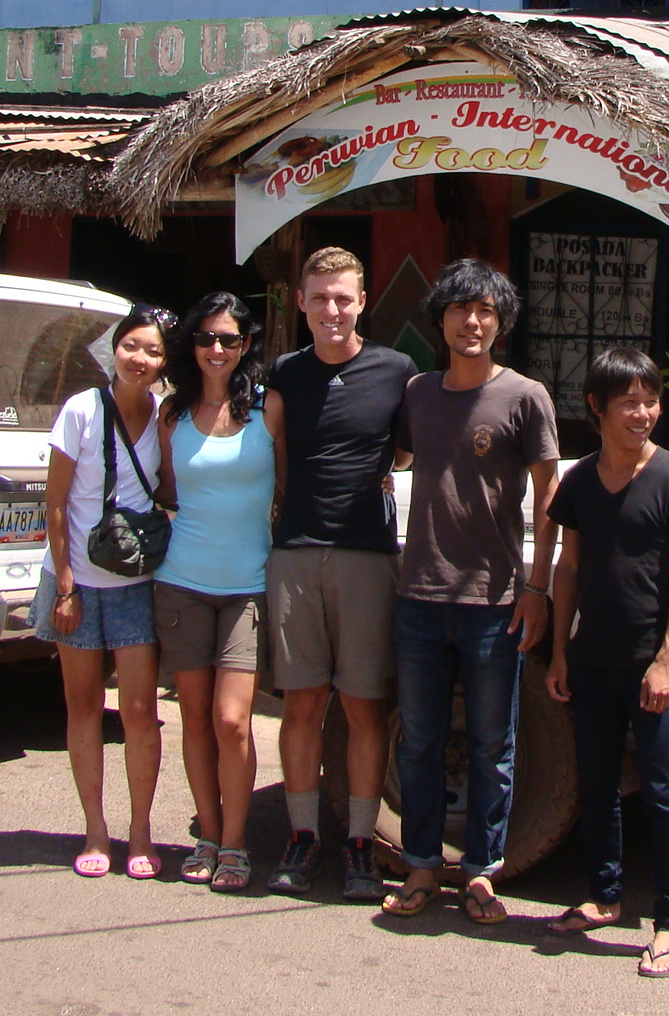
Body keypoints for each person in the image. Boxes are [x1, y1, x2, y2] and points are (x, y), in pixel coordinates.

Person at [381, 260, 559, 925]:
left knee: (492, 745)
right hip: (419, 599)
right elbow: (396, 460)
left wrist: (537, 586)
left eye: (485, 310)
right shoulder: (418, 394)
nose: (472, 321)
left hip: (495, 604)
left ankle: (483, 873)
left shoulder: (525, 397)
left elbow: (549, 495)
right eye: (460, 309)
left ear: (500, 321)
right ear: (442, 320)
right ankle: (422, 865)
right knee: (420, 742)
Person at [545, 347, 669, 977]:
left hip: (652, 665)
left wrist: (666, 661)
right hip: (592, 661)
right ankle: (603, 896)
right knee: (596, 786)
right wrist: (559, 652)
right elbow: (568, 567)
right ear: (597, 407)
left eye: (650, 401)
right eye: (629, 403)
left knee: (664, 793)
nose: (643, 413)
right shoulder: (580, 482)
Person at [263, 247, 416, 900]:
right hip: (295, 552)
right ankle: (302, 838)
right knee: (301, 702)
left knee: (363, 705)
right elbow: (274, 455)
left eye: (343, 298)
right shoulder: (284, 374)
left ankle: (359, 843)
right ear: (301, 302)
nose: (332, 309)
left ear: (362, 302)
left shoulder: (396, 371)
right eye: (320, 298)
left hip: (366, 555)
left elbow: (403, 454)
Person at [31, 305, 172, 879]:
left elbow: (171, 490)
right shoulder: (81, 411)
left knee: (139, 713)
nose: (140, 359)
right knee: (84, 706)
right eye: (131, 346)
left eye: (154, 351)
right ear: (114, 349)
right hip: (79, 585)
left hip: (136, 584)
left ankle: (140, 832)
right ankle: (94, 830)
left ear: (165, 363)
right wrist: (65, 586)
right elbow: (55, 503)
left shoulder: (164, 416)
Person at [154, 291, 279, 894]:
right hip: (182, 582)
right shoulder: (172, 415)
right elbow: (166, 492)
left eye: (229, 339)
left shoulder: (269, 409)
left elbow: (293, 482)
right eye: (206, 338)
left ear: (246, 344)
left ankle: (235, 842)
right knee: (196, 719)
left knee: (233, 721)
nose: (217, 349)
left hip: (247, 587)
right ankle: (207, 836)